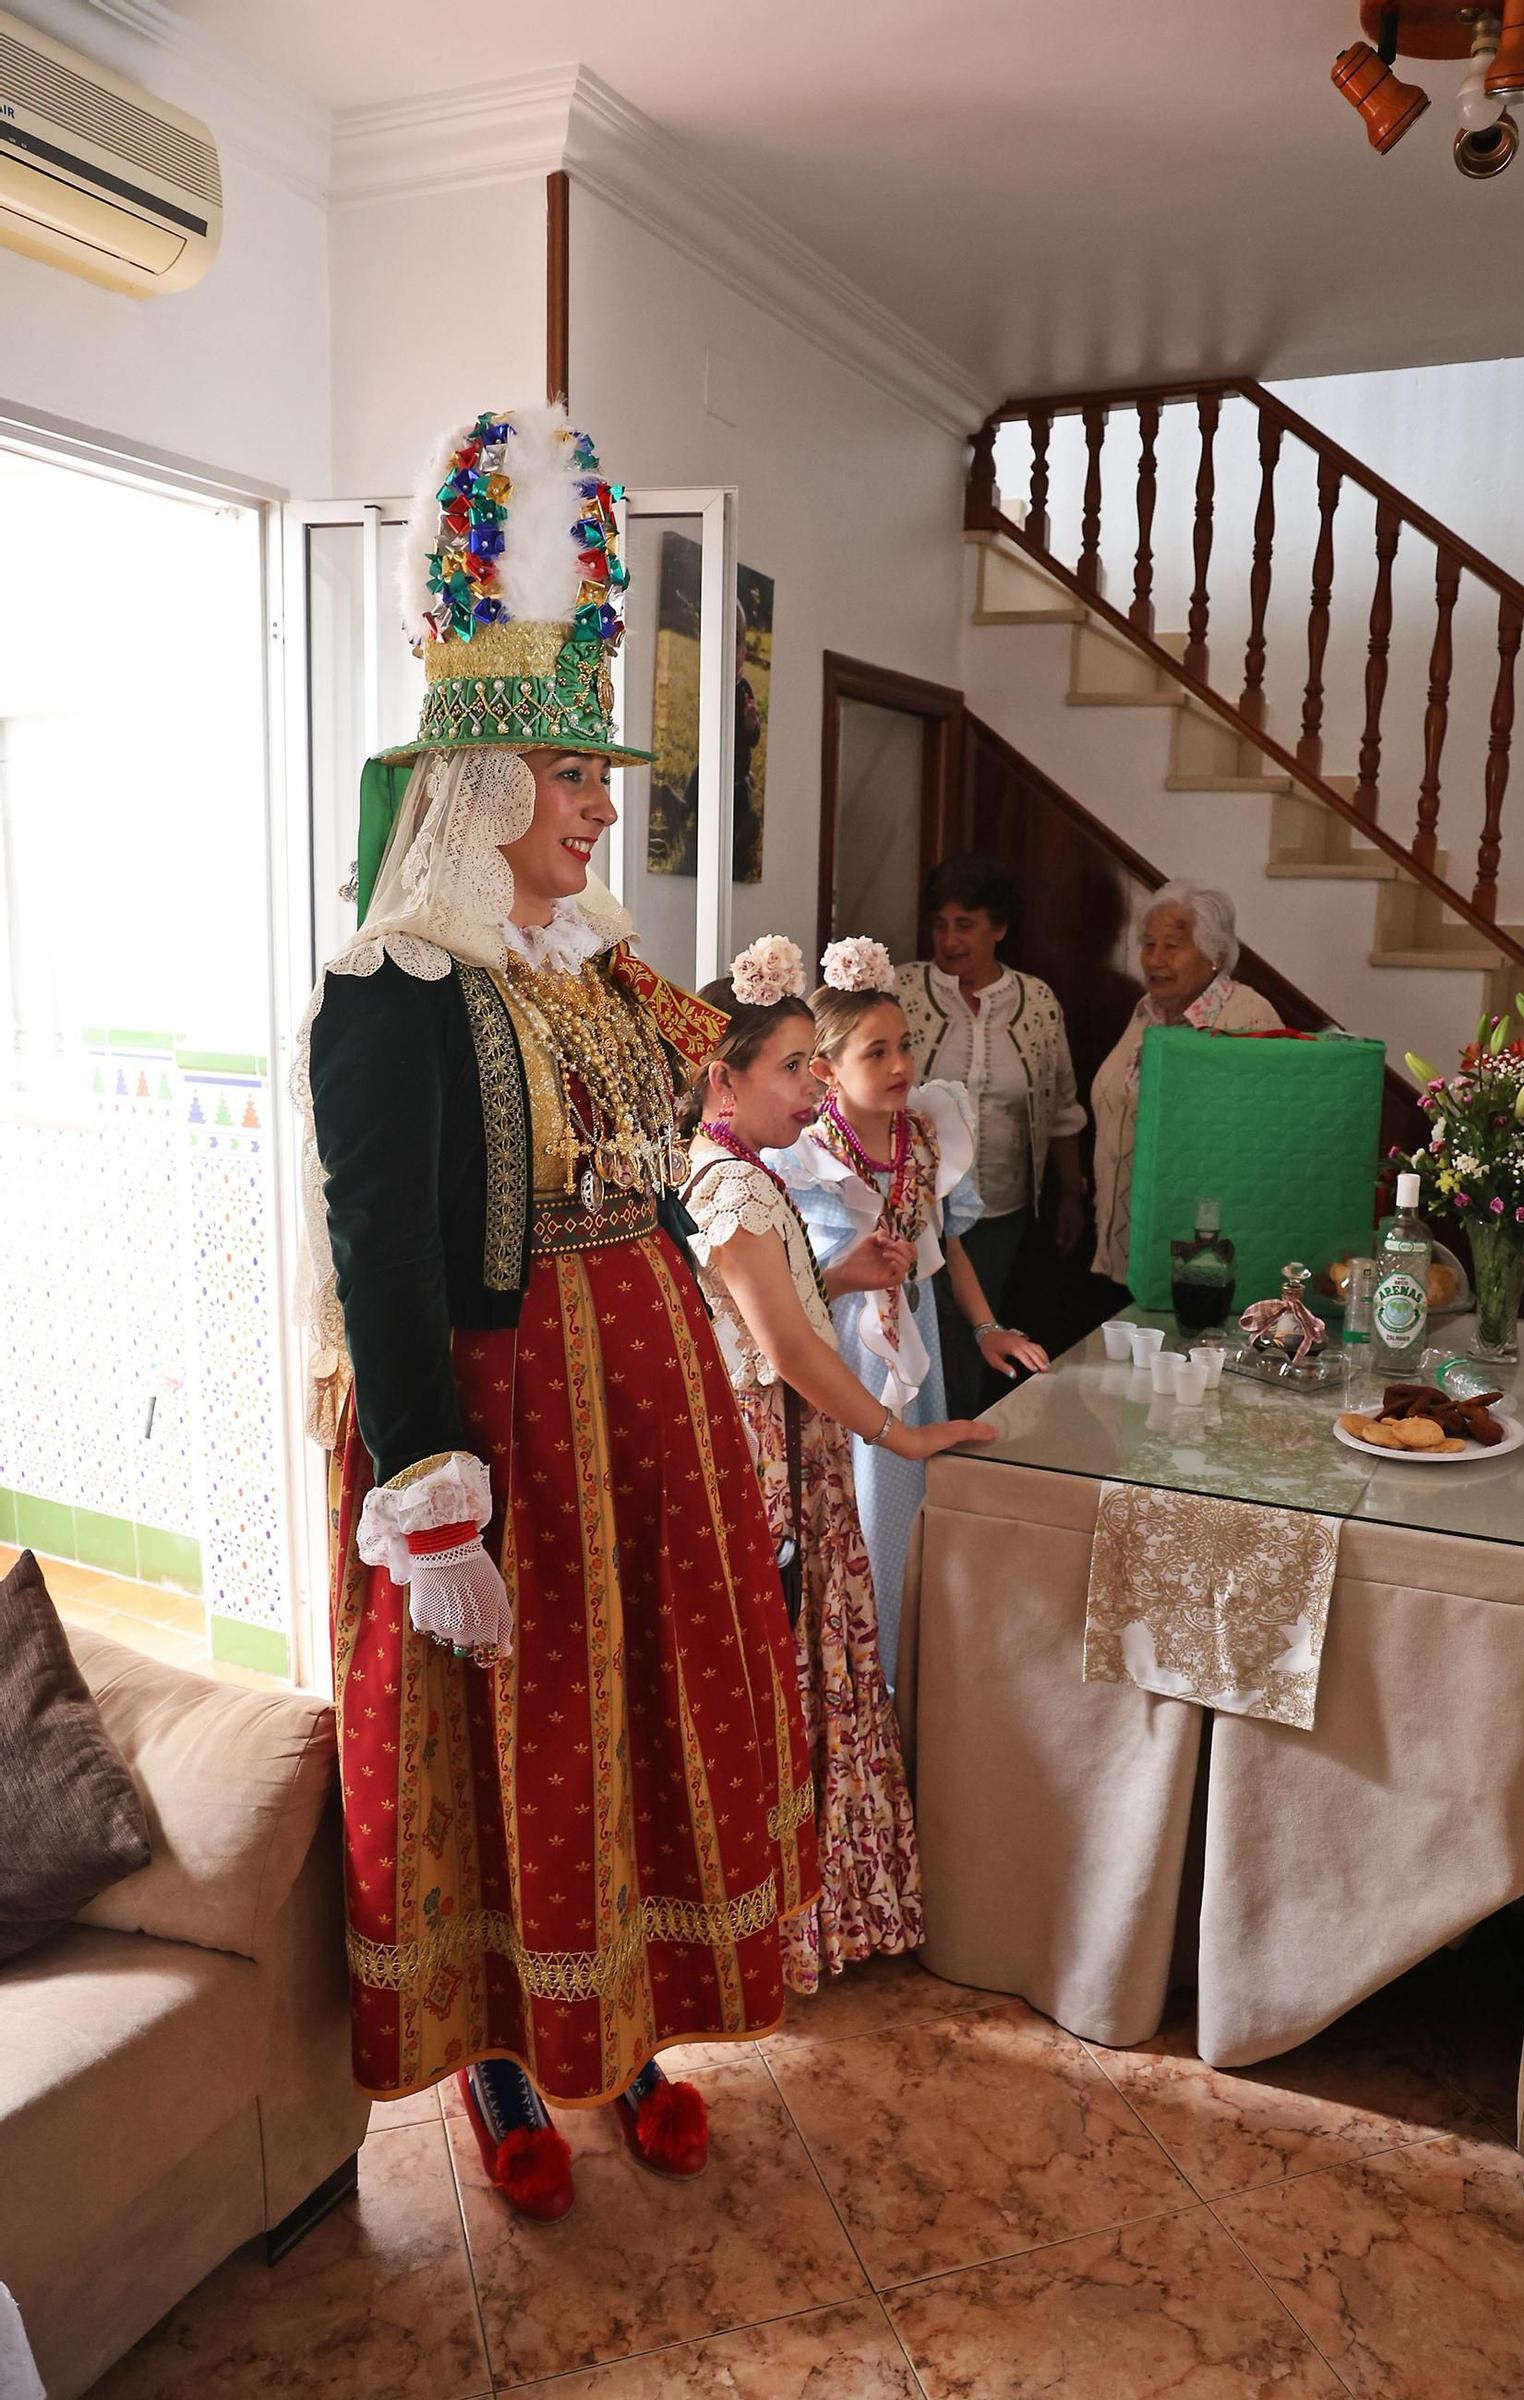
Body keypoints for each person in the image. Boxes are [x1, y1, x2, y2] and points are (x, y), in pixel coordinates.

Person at [300, 405, 817, 2225]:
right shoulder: (394, 991)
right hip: (508, 1414)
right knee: (518, 1724)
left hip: (650, 1387)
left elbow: (746, 1082)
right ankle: (504, 2046)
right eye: (581, 778)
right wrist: (432, 1485)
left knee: (642, 1706)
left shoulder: (595, 963)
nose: (607, 807)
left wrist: (824, 1052)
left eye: (602, 781)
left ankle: (632, 2021)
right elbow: (384, 1257)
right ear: (496, 787)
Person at [677, 937, 992, 1992]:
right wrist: (896, 1434)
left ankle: (827, 1904)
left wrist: (845, 1275)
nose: (814, 1084)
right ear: (723, 1079)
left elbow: (792, 1307)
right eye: (793, 1067)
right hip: (781, 1455)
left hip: (802, 1445)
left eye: (820, 1062)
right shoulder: (730, 1185)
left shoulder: (749, 1176)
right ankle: (788, 1919)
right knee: (800, 1668)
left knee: (825, 1661)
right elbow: (789, 1349)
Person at [769, 938, 1048, 1675]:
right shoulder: (800, 1154)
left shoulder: (926, 1129)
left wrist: (986, 1326)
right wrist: (845, 1276)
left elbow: (944, 1239)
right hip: (842, 1349)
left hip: (916, 1332)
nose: (900, 1066)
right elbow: (777, 1285)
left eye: (906, 1046)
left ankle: (905, 1666)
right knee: (854, 1508)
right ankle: (857, 1670)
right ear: (825, 1069)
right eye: (876, 1053)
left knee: (912, 1507)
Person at [897, 855, 1086, 1410]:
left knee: (981, 1333)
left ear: (999, 928)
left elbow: (1063, 1107)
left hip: (999, 1211)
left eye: (965, 924)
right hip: (916, 1205)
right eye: (940, 923)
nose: (950, 939)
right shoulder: (902, 990)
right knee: (924, 1339)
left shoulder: (1038, 1002)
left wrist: (1071, 1192)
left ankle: (968, 1446)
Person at [1089, 881, 1282, 1290]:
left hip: (1197, 1259)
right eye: (1148, 944)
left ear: (1214, 955)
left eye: (1173, 946)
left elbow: (1261, 1142)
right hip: (1120, 1248)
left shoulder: (1248, 1018)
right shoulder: (1147, 1012)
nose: (1154, 959)